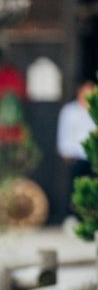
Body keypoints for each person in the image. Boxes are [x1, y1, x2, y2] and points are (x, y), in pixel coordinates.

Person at [56, 79, 96, 219]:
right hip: (77, 156)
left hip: (94, 156)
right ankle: (73, 216)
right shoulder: (70, 111)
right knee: (76, 189)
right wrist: (65, 151)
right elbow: (64, 133)